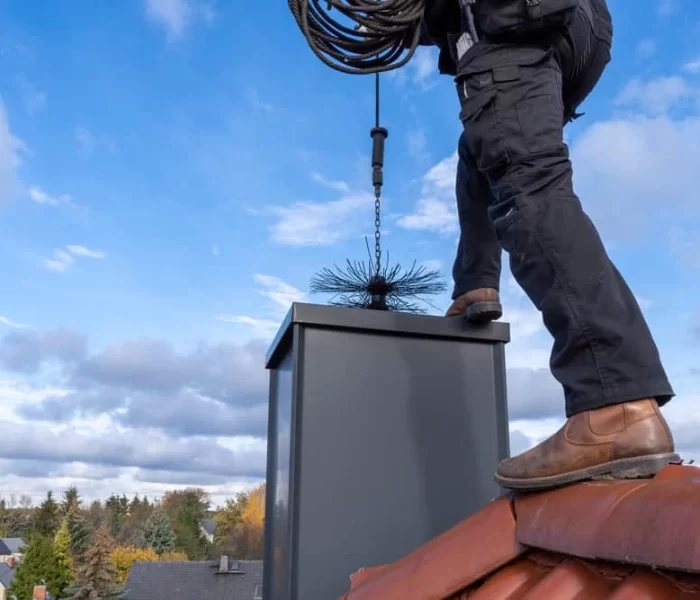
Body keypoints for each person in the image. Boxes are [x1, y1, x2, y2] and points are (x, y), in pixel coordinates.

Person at [421, 0, 680, 491]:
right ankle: (476, 282)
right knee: (484, 142)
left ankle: (614, 404)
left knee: (527, 184)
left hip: (507, 17)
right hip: (578, 25)